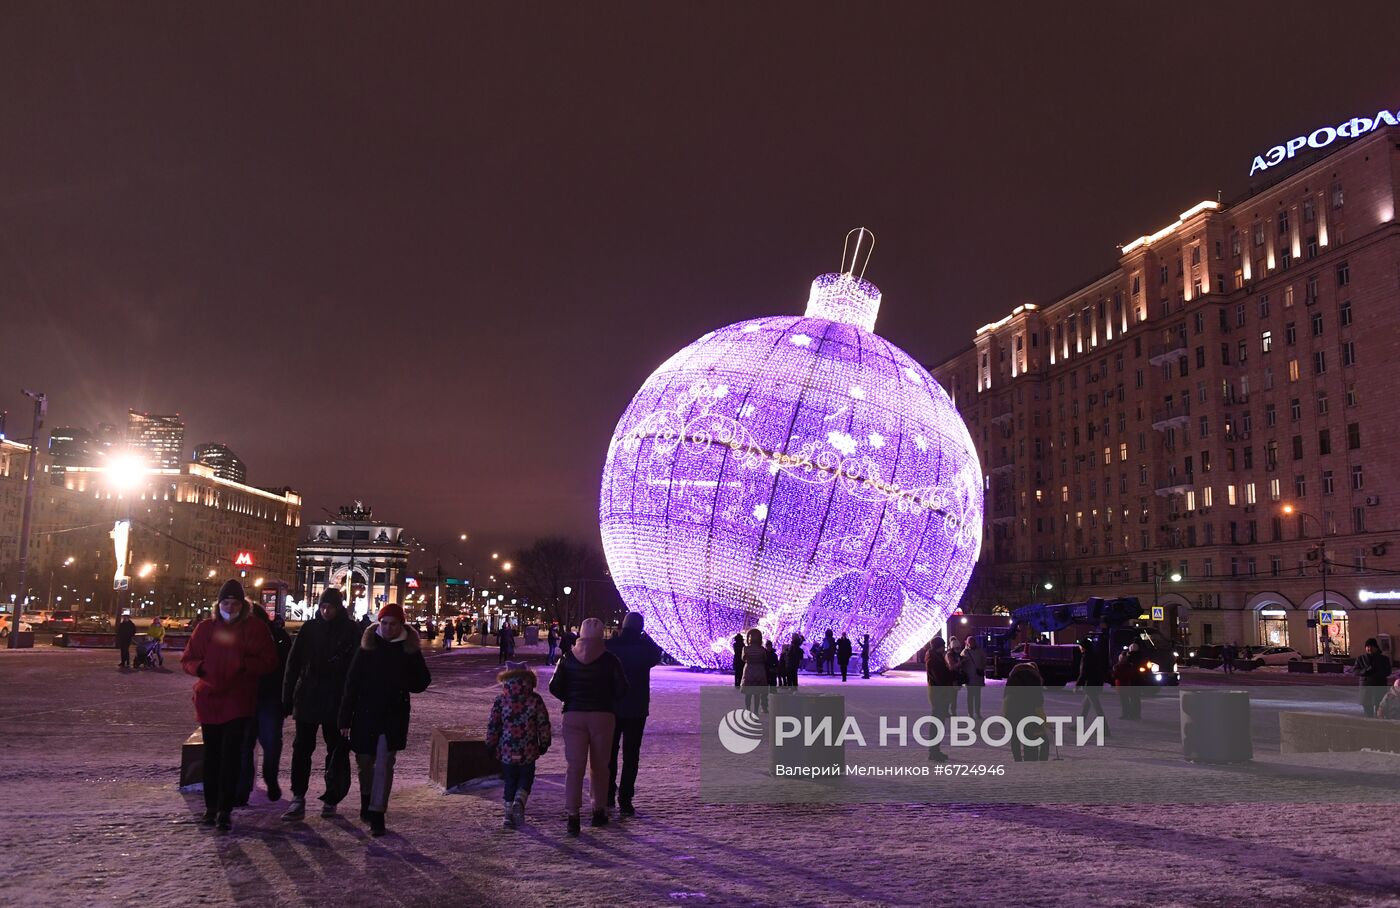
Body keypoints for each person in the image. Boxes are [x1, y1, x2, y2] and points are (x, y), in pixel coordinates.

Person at [180, 580, 279, 831]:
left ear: (242, 605)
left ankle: (225, 809)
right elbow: (188, 659)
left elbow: (269, 661)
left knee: (231, 755)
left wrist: (244, 665)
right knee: (211, 756)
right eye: (226, 603)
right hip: (210, 700)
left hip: (238, 700)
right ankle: (211, 807)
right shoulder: (205, 628)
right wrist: (201, 668)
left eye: (235, 603)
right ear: (219, 604)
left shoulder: (255, 628)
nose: (230, 607)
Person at [338, 603, 431, 837]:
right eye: (384, 623)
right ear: (379, 623)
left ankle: (378, 813)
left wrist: (402, 682)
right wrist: (344, 718)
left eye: (393, 623)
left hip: (393, 715)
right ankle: (366, 799)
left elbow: (422, 681)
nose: (388, 627)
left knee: (385, 762)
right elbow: (351, 684)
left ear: (402, 625)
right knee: (364, 761)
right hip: (365, 713)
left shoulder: (409, 649)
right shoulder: (367, 645)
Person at [282, 588, 361, 821]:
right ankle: (298, 797)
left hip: (336, 701)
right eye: (323, 607)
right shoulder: (309, 628)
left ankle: (331, 797)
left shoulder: (350, 631)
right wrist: (287, 697)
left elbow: (355, 671)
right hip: (308, 697)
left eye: (330, 607)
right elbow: (292, 664)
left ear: (339, 608)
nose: (326, 611)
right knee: (301, 749)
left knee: (335, 751)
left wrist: (351, 705)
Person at [548, 617, 627, 837]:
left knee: (574, 767)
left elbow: (554, 686)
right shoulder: (610, 659)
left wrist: (570, 699)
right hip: (603, 715)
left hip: (573, 715)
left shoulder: (567, 658)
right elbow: (622, 688)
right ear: (602, 634)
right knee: (600, 766)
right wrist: (607, 699)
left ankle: (573, 815)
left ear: (581, 633)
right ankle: (598, 810)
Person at [605, 611, 663, 816]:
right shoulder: (644, 649)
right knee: (631, 755)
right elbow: (657, 655)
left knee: (609, 753)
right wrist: (646, 638)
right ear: (640, 627)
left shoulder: (611, 646)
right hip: (636, 707)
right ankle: (626, 799)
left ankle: (608, 794)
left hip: (612, 706)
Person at [485, 660, 552, 828]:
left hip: (507, 748)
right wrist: (544, 743)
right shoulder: (535, 699)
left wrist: (490, 744)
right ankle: (520, 800)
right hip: (528, 748)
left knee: (510, 780)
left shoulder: (501, 700)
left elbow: (494, 724)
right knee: (526, 777)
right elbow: (543, 723)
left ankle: (508, 814)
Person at [236, 602, 291, 806]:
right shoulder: (239, 636)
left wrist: (287, 698)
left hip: (270, 698)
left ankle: (270, 778)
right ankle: (242, 790)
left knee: (271, 744)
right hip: (244, 698)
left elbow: (288, 669)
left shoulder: (278, 637)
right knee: (244, 746)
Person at [1003, 662, 1048, 762]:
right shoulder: (1034, 680)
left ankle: (1018, 760)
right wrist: (1044, 721)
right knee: (1032, 738)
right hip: (1030, 714)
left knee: (1015, 736)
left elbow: (1006, 699)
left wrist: (1004, 715)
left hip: (1013, 712)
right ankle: (1032, 761)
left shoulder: (1013, 679)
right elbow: (1038, 706)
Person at [925, 637, 955, 762]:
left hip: (940, 693)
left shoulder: (935, 657)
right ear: (938, 646)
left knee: (939, 723)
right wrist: (952, 675)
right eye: (942, 646)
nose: (944, 648)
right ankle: (933, 751)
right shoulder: (933, 659)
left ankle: (935, 750)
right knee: (937, 723)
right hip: (939, 694)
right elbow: (941, 677)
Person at [1354, 638, 1394, 718]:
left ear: (1376, 647)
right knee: (1368, 710)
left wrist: (1378, 673)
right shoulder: (1361, 658)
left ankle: (1378, 726)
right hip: (1366, 688)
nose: (1369, 649)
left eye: (1371, 646)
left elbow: (1388, 671)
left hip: (1379, 686)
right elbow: (1356, 671)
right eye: (1367, 647)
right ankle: (1370, 726)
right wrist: (1365, 670)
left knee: (1379, 709)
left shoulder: (1384, 659)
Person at [1075, 638, 1107, 728]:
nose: (1079, 648)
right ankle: (1078, 726)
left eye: (1080, 646)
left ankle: (1105, 729)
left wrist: (1077, 685)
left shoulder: (1086, 657)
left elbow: (1083, 673)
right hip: (1096, 684)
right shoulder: (1094, 655)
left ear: (1084, 647)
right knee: (1085, 707)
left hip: (1090, 685)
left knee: (1097, 708)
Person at [740, 629, 769, 714]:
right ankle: (756, 711)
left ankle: (748, 711)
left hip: (749, 671)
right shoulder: (762, 649)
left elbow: (743, 659)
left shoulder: (746, 648)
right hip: (759, 671)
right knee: (757, 694)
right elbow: (765, 659)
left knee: (748, 694)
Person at [962, 636, 987, 721]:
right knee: (970, 696)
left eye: (972, 641)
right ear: (967, 643)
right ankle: (970, 713)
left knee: (977, 696)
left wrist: (981, 668)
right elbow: (962, 664)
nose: (971, 643)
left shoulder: (980, 651)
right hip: (969, 678)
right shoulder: (965, 652)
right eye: (970, 642)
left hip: (978, 677)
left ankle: (977, 712)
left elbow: (984, 661)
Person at [1112, 648, 1141, 720]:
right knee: (1131, 700)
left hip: (1123, 685)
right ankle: (1132, 715)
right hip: (1128, 684)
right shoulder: (1130, 663)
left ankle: (1128, 714)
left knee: (1125, 701)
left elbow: (1116, 675)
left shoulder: (1120, 666)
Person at [945, 636, 964, 717]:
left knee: (954, 696)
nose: (958, 649)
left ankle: (952, 711)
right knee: (950, 696)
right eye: (956, 648)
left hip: (955, 677)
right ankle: (947, 711)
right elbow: (951, 666)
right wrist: (960, 663)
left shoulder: (956, 655)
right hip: (951, 678)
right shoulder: (950, 655)